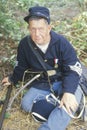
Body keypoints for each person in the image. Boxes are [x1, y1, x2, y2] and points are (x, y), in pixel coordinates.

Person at [2, 6, 83, 130]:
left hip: (65, 81)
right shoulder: (25, 44)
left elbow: (73, 68)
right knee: (26, 104)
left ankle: (56, 119)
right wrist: (13, 79)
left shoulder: (62, 43)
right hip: (44, 83)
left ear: (49, 28)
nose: (37, 34)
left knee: (68, 103)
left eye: (41, 29)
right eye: (33, 29)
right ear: (29, 28)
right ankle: (66, 110)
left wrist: (68, 92)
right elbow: (21, 66)